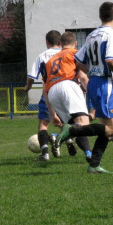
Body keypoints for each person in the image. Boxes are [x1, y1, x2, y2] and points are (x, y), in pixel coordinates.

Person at [56, 2, 113, 174]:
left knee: (105, 127)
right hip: (104, 85)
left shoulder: (91, 36)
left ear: (99, 16)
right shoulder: (112, 35)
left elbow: (78, 60)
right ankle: (73, 130)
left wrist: (94, 72)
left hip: (95, 82)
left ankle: (94, 164)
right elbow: (111, 61)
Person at [24, 30, 77, 161]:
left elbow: (32, 76)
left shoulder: (42, 56)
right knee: (67, 121)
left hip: (49, 92)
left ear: (47, 42)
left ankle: (45, 154)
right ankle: (69, 139)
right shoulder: (65, 53)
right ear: (60, 42)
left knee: (43, 124)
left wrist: (27, 87)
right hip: (65, 92)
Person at [43, 31, 93, 163]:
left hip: (52, 92)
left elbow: (45, 90)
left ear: (60, 44)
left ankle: (89, 154)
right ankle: (57, 136)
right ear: (75, 43)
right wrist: (92, 96)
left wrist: (53, 114)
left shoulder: (50, 61)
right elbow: (82, 76)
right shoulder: (75, 53)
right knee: (84, 123)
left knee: (75, 126)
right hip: (68, 86)